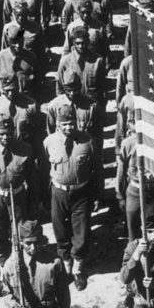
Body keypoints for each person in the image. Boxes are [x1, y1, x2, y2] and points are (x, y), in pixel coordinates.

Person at [43, 104, 102, 291]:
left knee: (82, 232)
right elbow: (46, 168)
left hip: (81, 193)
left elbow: (97, 170)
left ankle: (77, 269)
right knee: (60, 230)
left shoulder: (87, 141)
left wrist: (97, 195)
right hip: (59, 192)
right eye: (65, 124)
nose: (69, 127)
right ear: (58, 124)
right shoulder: (49, 142)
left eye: (72, 123)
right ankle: (65, 265)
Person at [0, 116, 39, 296]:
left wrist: (33, 202)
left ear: (13, 131)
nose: (5, 137)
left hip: (18, 196)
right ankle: (2, 275)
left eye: (8, 133)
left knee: (19, 233)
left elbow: (32, 177)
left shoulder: (25, 149)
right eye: (1, 134)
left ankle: (20, 271)